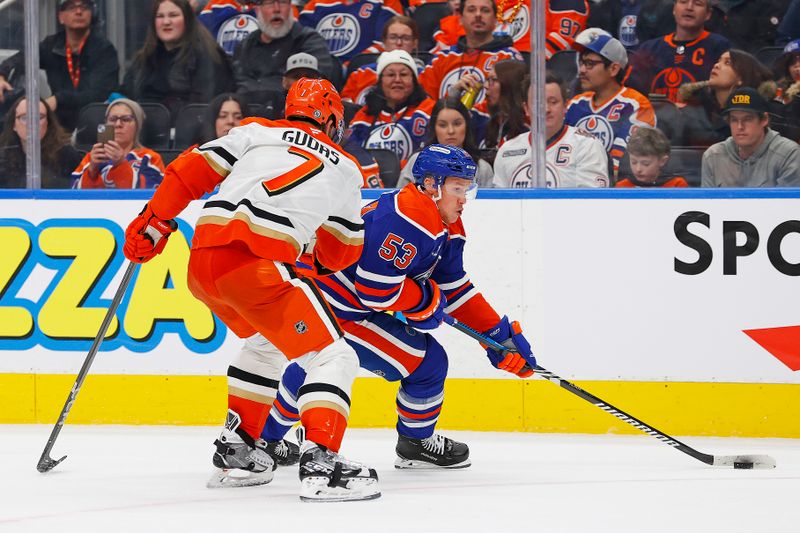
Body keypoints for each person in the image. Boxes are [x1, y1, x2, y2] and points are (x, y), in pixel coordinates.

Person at [121, 78, 380, 502]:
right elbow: (342, 252)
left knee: (265, 344)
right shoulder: (347, 167)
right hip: (256, 266)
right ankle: (322, 462)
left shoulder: (256, 131)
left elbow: (187, 173)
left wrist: (154, 222)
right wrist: (307, 246)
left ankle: (238, 451)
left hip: (203, 265)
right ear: (333, 120)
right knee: (333, 353)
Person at [259, 144, 537, 470]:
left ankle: (265, 436)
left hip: (326, 301)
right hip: (333, 307)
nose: (464, 199)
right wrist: (422, 301)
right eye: (457, 189)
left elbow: (453, 285)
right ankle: (416, 443)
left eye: (467, 190)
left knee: (313, 364)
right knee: (428, 363)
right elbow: (374, 289)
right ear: (431, 185)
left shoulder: (445, 221)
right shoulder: (408, 218)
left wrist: (495, 333)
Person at [0, 0, 119, 131]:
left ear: (92, 14)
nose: (79, 12)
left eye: (84, 7)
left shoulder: (104, 49)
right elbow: (17, 60)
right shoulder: (52, 45)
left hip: (97, 121)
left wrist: (58, 99)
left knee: (106, 145)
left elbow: (99, 94)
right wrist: (1, 76)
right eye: (72, 7)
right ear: (61, 17)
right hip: (60, 122)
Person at [565, 28, 656, 177]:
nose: (581, 70)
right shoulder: (575, 103)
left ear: (613, 69)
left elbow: (622, 164)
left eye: (590, 64)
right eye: (581, 63)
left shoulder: (636, 105)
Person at [122, 0, 234, 119]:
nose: (166, 22)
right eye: (160, 16)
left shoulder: (209, 57)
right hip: (143, 131)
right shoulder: (143, 59)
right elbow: (124, 95)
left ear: (187, 19)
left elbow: (204, 108)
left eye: (173, 15)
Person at [494, 73, 609, 188]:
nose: (546, 109)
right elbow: (497, 203)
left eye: (553, 102)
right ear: (526, 109)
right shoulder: (507, 150)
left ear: (565, 106)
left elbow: (592, 202)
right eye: (538, 103)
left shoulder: (586, 145)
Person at [419, 0, 522, 102]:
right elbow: (423, 105)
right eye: (471, 10)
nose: (478, 15)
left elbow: (511, 107)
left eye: (485, 10)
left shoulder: (508, 58)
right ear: (460, 18)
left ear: (495, 19)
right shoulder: (441, 59)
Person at [628, 0, 730, 103]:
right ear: (674, 9)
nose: (689, 7)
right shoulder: (649, 48)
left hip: (701, 117)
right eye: (683, 2)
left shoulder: (720, 46)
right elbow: (632, 92)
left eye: (698, 4)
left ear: (708, 14)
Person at [232, 0, 334, 97]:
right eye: (270, 3)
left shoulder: (309, 41)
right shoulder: (246, 45)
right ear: (258, 9)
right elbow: (235, 83)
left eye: (283, 2)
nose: (277, 9)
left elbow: (317, 83)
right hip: (246, 111)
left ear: (290, 7)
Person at [701, 87, 800, 187]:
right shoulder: (713, 156)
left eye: (747, 119)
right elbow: (706, 202)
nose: (740, 127)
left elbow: (787, 202)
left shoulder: (788, 154)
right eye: (734, 120)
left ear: (764, 120)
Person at [348, 50, 435, 164]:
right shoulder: (364, 115)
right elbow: (352, 154)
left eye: (403, 74)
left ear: (414, 80)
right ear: (380, 81)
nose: (397, 80)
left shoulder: (429, 109)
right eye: (391, 75)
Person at [677, 49, 776, 148]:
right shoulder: (693, 108)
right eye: (718, 61)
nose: (716, 65)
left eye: (727, 62)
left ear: (741, 78)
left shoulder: (762, 111)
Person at [432, 0, 589, 58]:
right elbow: (448, 43)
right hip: (477, 72)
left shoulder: (561, 3)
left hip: (527, 77)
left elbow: (562, 40)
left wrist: (526, 64)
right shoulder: (483, 5)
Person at [397, 97, 493, 187]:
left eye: (457, 124)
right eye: (443, 125)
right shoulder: (417, 161)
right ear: (434, 128)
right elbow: (398, 200)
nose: (450, 131)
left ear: (467, 126)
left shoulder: (482, 168)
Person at [72, 98, 165, 189]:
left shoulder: (150, 158)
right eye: (113, 119)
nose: (118, 124)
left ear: (137, 125)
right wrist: (91, 171)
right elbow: (73, 198)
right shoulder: (92, 158)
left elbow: (150, 195)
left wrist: (121, 164)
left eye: (126, 119)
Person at [0, 97, 82, 189]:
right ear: (14, 125)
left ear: (48, 123)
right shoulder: (3, 158)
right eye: (24, 118)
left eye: (39, 117)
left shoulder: (66, 156)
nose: (32, 123)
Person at [341, 16, 421, 105]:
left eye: (405, 38)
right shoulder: (361, 74)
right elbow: (346, 108)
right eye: (393, 37)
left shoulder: (423, 75)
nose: (399, 43)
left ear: (415, 43)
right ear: (384, 41)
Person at [298, 0, 404, 62]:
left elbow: (385, 43)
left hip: (362, 71)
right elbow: (301, 42)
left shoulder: (387, 2)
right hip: (319, 69)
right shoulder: (316, 4)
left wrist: (353, 63)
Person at [616, 127, 688, 187]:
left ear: (662, 161)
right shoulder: (622, 187)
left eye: (646, 163)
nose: (638, 169)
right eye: (633, 162)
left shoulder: (677, 185)